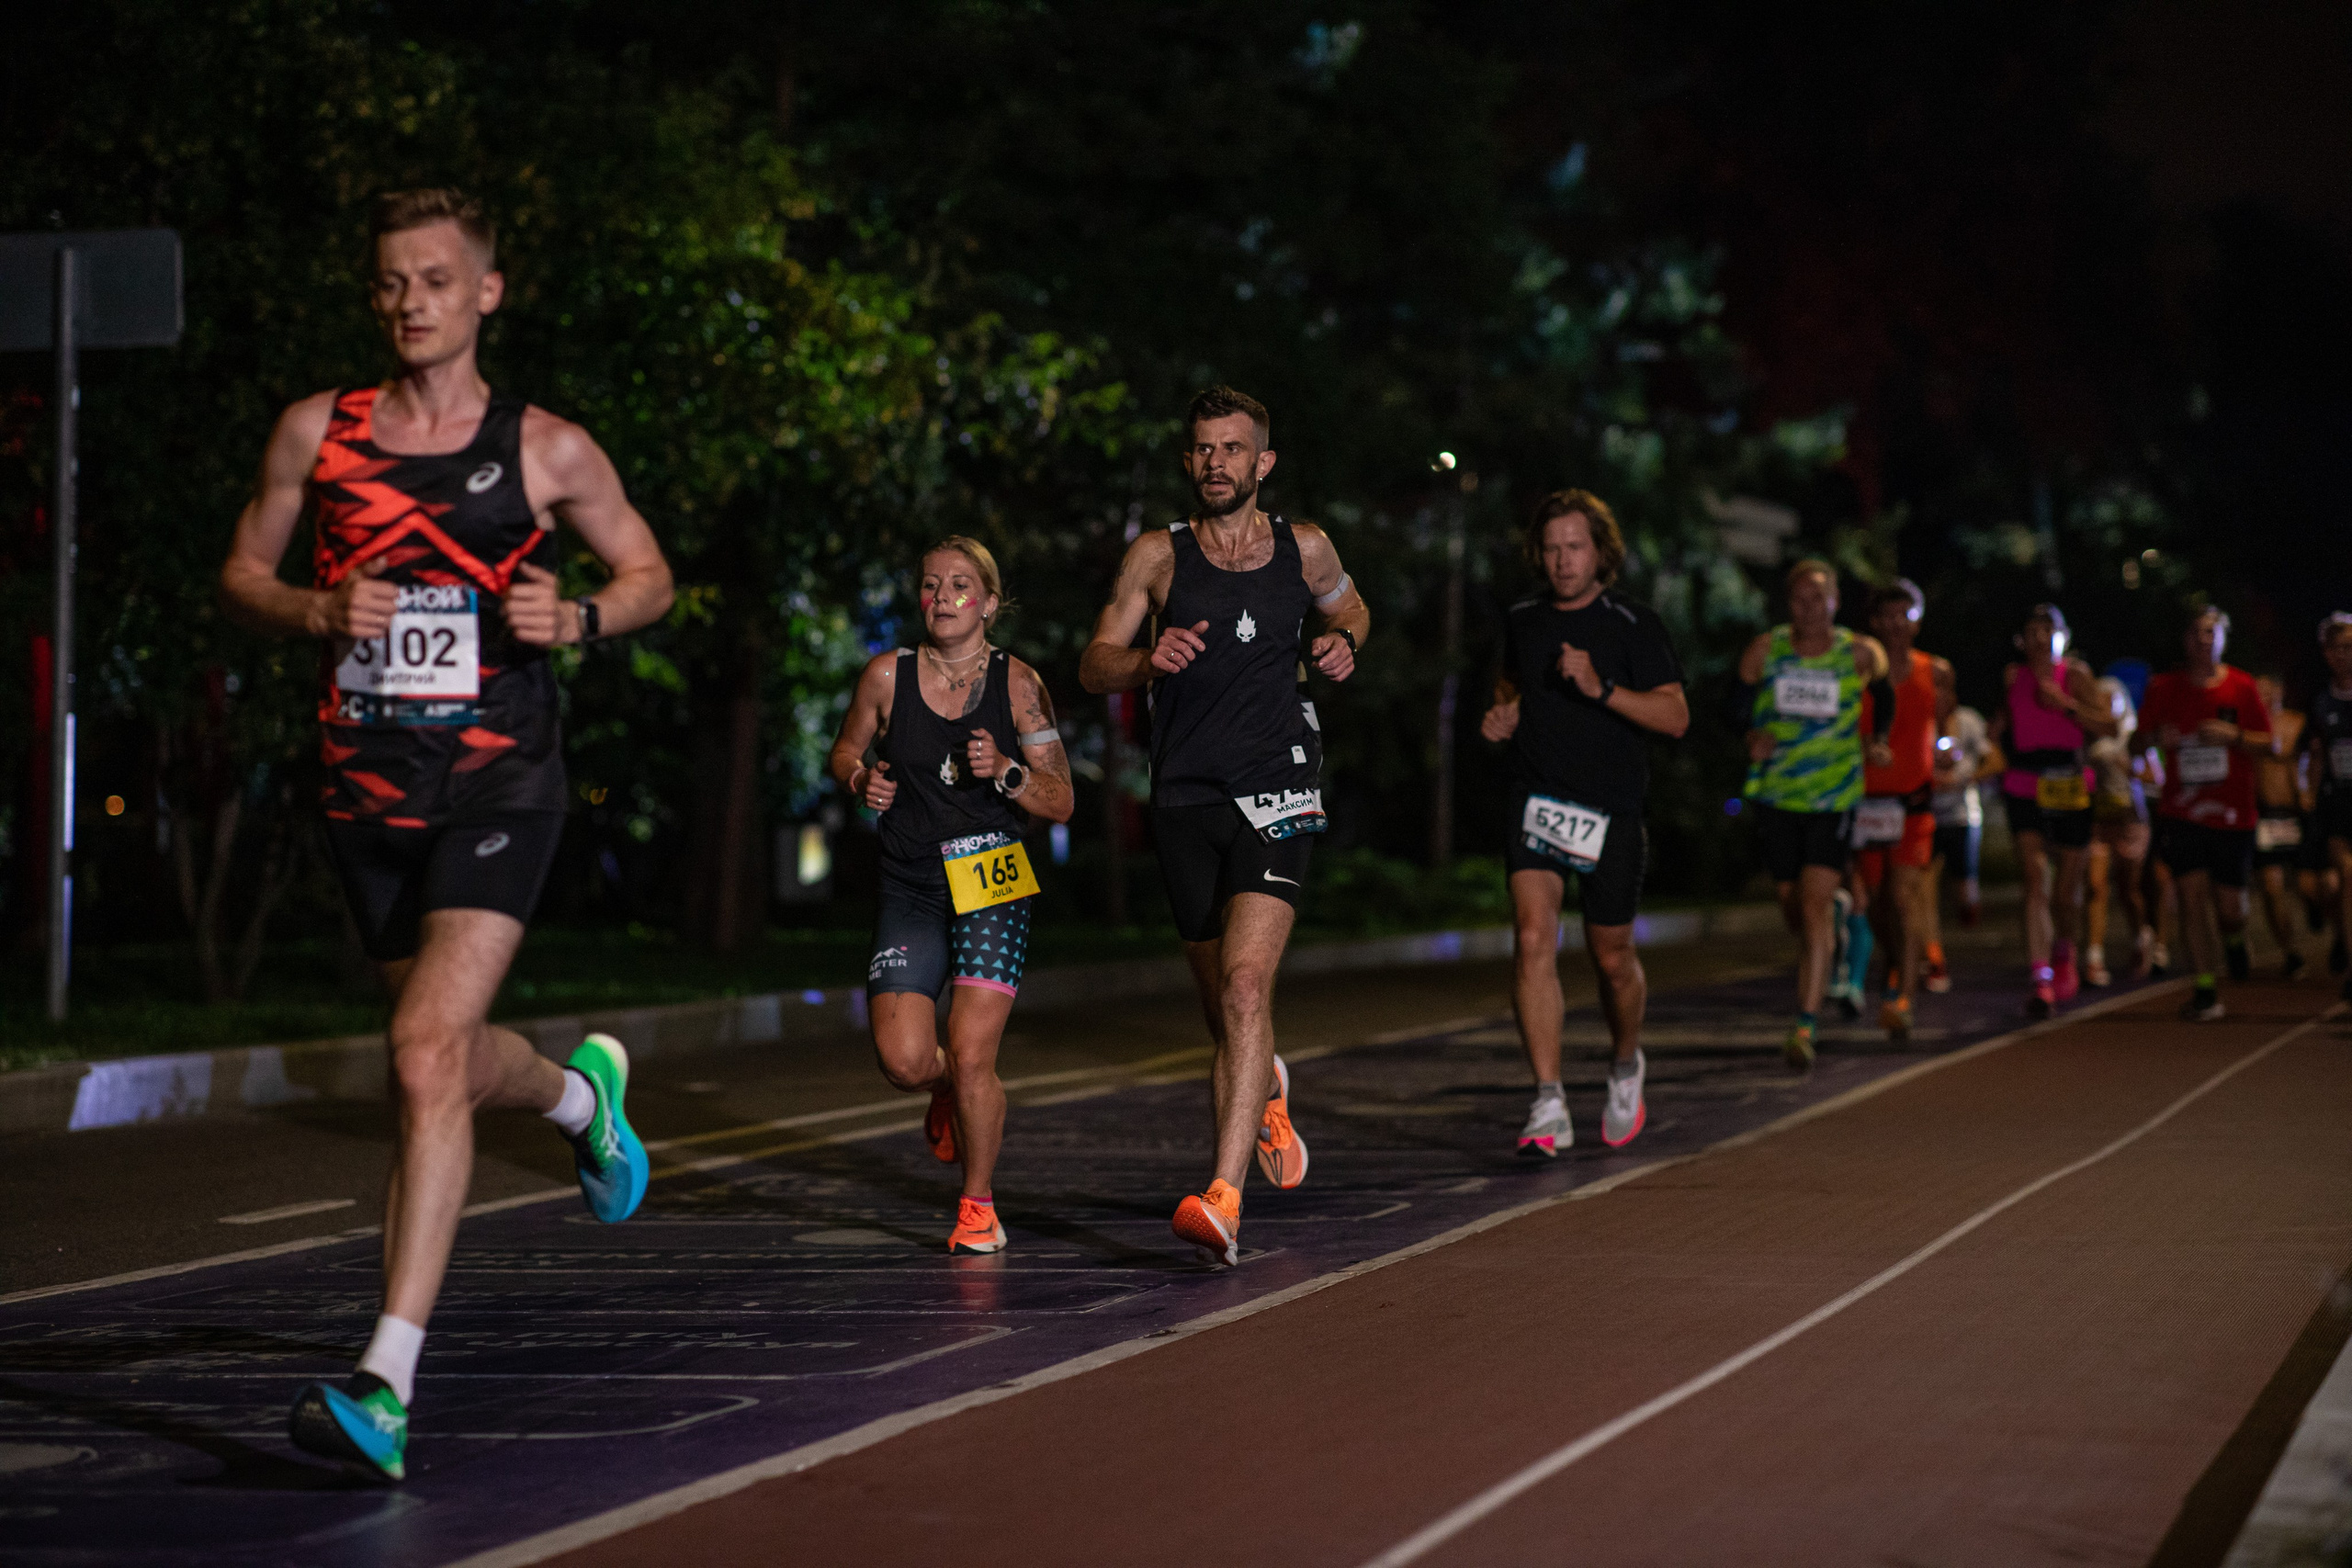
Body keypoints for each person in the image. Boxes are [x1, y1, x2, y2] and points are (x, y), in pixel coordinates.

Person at [217, 189, 675, 1482]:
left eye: (432, 278)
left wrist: (577, 619)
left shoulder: (548, 451)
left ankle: (385, 1381)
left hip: (499, 783)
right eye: (387, 282)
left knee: (420, 1052)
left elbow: (649, 573)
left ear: (486, 291)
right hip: (365, 793)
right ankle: (585, 1098)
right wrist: (312, 608)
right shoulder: (319, 432)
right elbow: (241, 573)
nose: (407, 299)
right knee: (449, 1056)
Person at [1079, 386, 1368, 1265]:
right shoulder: (1156, 558)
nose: (1216, 463)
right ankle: (1267, 1089)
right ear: (1189, 461)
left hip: (1279, 791)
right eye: (1203, 449)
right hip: (1186, 799)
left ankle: (1224, 1198)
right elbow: (1093, 663)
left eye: (1232, 449)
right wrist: (1142, 659)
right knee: (1224, 1008)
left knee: (1247, 989)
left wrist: (1344, 643)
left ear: (1262, 462)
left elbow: (1351, 609)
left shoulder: (1304, 546)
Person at [828, 539, 1076, 1254]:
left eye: (961, 586)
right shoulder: (886, 675)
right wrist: (858, 779)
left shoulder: (1019, 685)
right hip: (911, 880)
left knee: (973, 1056)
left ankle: (977, 1205)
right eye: (932, 585)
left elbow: (1060, 800)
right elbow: (845, 749)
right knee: (906, 1060)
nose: (943, 597)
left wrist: (1005, 772)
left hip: (992, 877)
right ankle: (943, 1092)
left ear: (991, 603)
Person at [1478, 491, 1688, 1156]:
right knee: (1533, 935)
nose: (1563, 560)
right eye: (1551, 548)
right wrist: (1501, 713)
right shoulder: (1523, 618)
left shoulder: (1634, 622)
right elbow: (1509, 686)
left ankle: (1626, 1060)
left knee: (1612, 957)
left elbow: (1676, 717)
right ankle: (1549, 1099)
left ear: (1601, 551)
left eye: (1575, 546)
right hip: (1536, 798)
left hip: (1611, 811)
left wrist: (1601, 687)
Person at [1737, 559, 1894, 1069]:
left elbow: (1884, 696)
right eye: (1798, 598)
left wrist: (1877, 740)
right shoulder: (1768, 650)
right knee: (1792, 907)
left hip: (1834, 796)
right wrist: (1749, 736)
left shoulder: (1859, 653)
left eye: (1818, 598)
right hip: (1779, 795)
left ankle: (1804, 1024)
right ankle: (1837, 928)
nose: (1808, 607)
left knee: (1813, 907)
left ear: (1835, 602)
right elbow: (1735, 701)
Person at [2143, 607, 2272, 1021]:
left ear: (2223, 639)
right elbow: (2134, 742)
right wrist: (2153, 738)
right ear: (2186, 640)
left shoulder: (2241, 686)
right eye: (2197, 632)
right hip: (2183, 812)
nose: (2204, 640)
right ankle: (2204, 987)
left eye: (2212, 632)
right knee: (2191, 897)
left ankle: (2234, 942)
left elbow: (2269, 745)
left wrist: (2232, 735)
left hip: (2234, 814)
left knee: (2231, 911)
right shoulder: (2164, 688)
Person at [1989, 605, 2116, 1018]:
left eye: (2049, 630)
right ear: (2022, 640)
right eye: (2033, 630)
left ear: (2063, 635)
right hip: (2025, 780)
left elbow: (2109, 728)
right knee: (2033, 881)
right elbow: (2004, 722)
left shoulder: (2075, 675)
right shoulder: (2014, 676)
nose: (2041, 638)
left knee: (2065, 891)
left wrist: (2065, 705)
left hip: (2069, 781)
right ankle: (2040, 976)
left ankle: (2065, 951)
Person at [1849, 580, 1954, 1040]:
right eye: (1887, 615)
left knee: (1903, 896)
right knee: (1873, 904)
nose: (1896, 623)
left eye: (1905, 614)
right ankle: (1896, 963)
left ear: (1918, 620)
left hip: (1913, 804)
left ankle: (1902, 998)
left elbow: (1946, 729)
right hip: (1866, 803)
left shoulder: (1937, 672)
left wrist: (1947, 752)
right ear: (1874, 622)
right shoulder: (1857, 670)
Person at [2082, 675, 2154, 986]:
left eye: (2109, 700)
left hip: (2130, 820)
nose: (2104, 705)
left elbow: (2155, 777)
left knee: (2129, 890)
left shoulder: (2132, 737)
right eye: (2099, 700)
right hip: (2098, 820)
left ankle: (2142, 936)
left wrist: (2130, 766)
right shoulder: (2087, 737)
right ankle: (2093, 958)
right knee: (2095, 887)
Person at [1921, 703, 1993, 992]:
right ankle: (1934, 957)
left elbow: (1996, 760)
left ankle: (1969, 903)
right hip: (1926, 817)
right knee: (1923, 889)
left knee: (1964, 897)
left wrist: (1965, 779)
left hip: (1962, 817)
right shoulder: (1919, 718)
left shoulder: (1968, 721)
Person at [2251, 674, 2313, 979]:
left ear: (2279, 691)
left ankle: (2321, 914)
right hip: (2266, 816)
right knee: (2272, 887)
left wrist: (2307, 793)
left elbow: (2311, 758)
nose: (2261, 696)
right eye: (2256, 691)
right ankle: (2291, 951)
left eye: (2266, 691)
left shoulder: (2296, 722)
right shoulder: (2247, 729)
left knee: (2309, 886)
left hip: (2296, 813)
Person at [2303, 614, 2352, 1000]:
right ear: (2326, 654)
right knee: (2346, 876)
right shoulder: (2321, 702)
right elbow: (2317, 754)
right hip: (2338, 805)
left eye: (2350, 646)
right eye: (2337, 648)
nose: (2344, 655)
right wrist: (2308, 791)